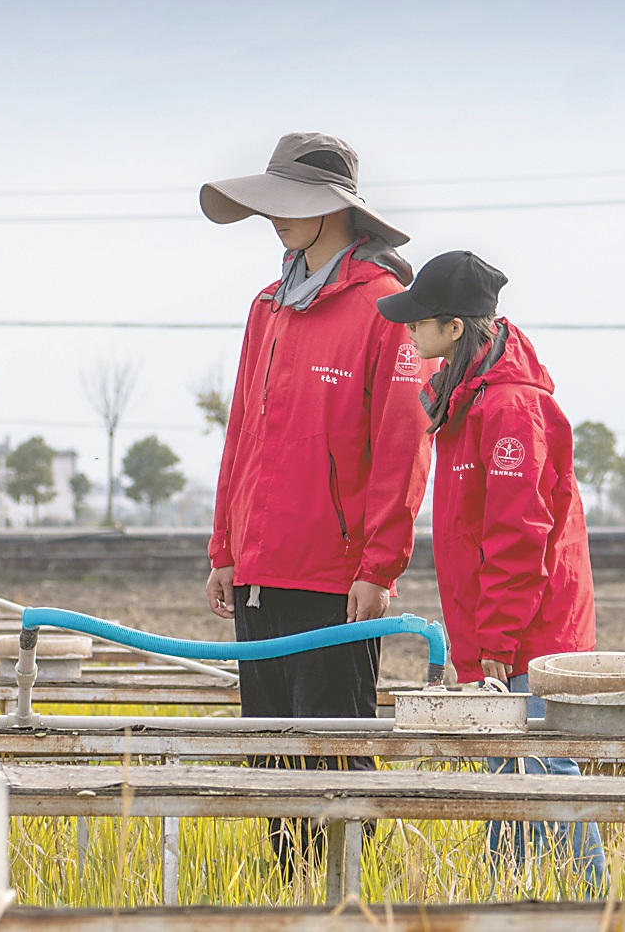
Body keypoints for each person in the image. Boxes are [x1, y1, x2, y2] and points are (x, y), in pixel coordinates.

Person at [200, 132, 432, 868]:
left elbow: (404, 446)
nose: (275, 217)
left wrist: (379, 564)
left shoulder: (386, 307)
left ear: (337, 209)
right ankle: (285, 896)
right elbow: (242, 433)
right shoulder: (266, 305)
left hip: (335, 578)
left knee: (335, 753)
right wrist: (224, 549)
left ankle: (354, 897)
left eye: (292, 203)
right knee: (269, 757)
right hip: (259, 572)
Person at [375, 250, 607, 892]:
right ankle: (510, 901)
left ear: (453, 327)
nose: (408, 330)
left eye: (418, 320)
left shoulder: (509, 410)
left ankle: (591, 903)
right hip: (501, 634)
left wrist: (498, 647)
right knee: (505, 773)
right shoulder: (467, 394)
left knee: (542, 770)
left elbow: (518, 540)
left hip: (531, 636)